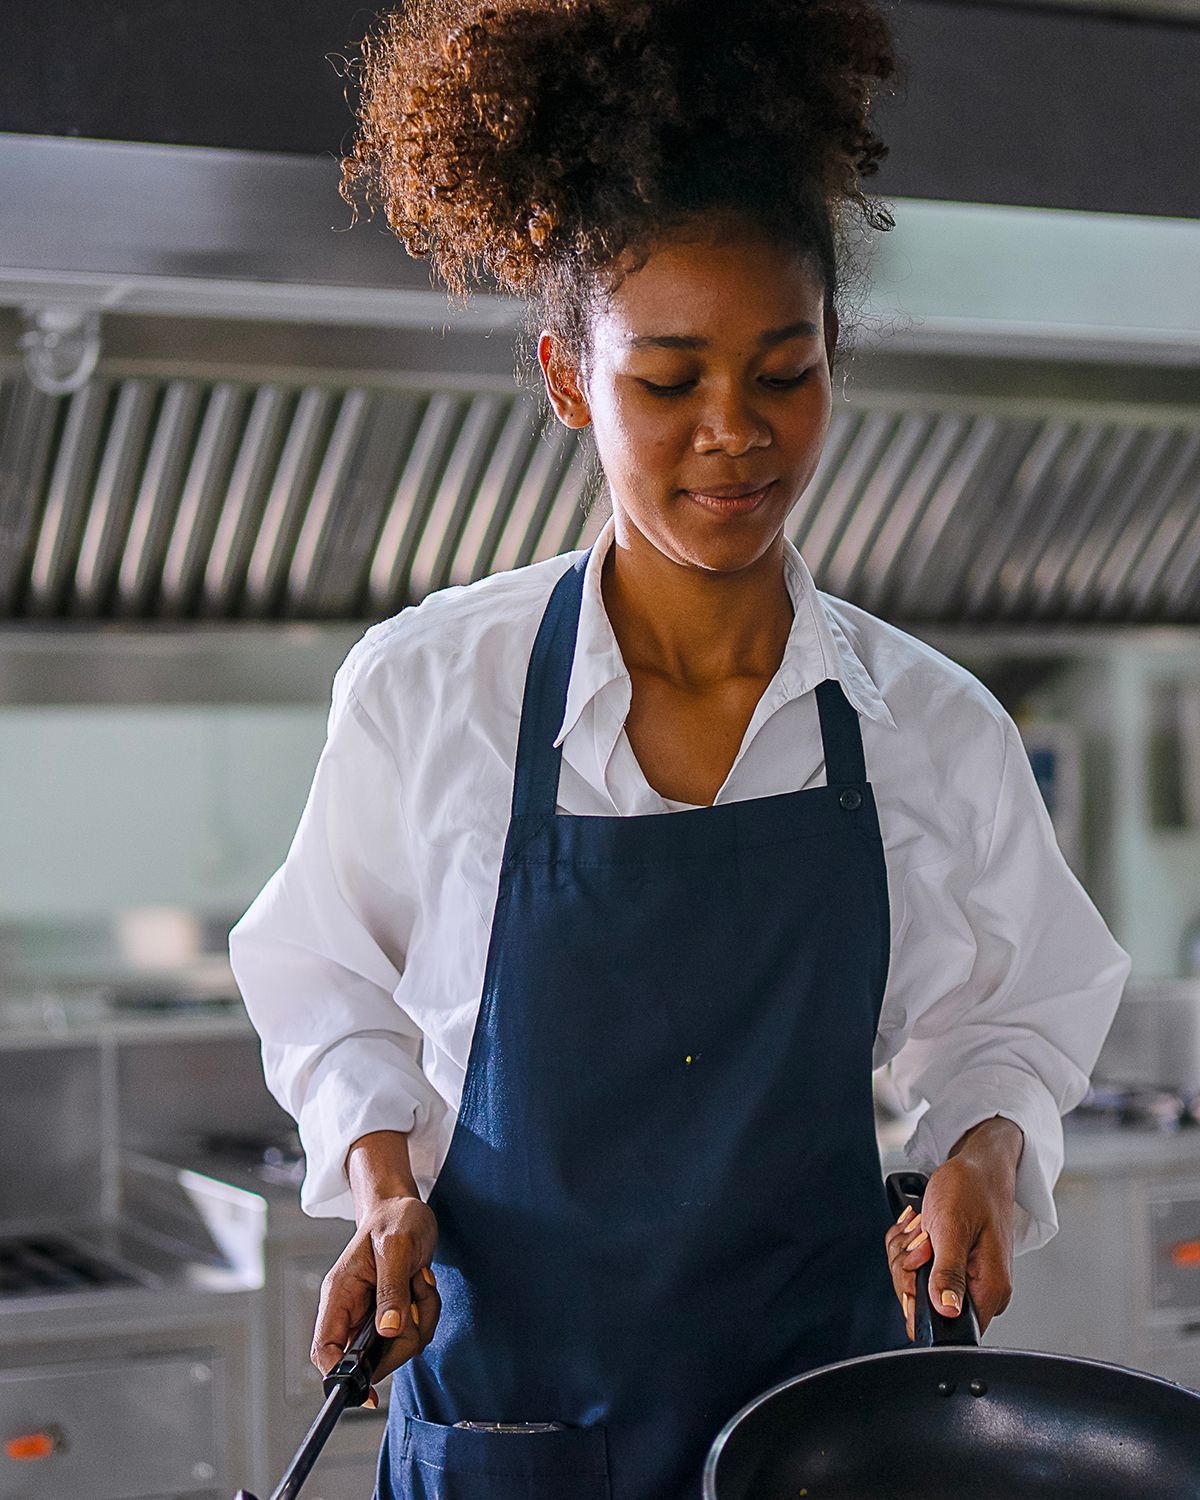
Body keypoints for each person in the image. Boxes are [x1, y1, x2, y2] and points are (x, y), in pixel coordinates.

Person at [229, 1, 1131, 1495]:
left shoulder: (932, 728)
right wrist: (381, 1192)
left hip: (819, 1430)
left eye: (787, 370)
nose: (739, 432)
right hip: (519, 1427)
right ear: (569, 378)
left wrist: (981, 1152)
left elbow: (1020, 1014)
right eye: (669, 380)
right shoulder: (430, 691)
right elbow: (325, 987)